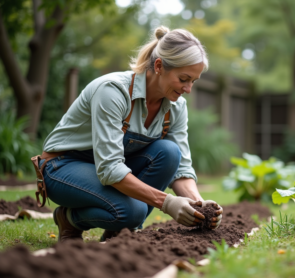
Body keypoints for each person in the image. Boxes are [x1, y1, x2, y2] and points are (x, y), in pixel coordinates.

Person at [37, 26, 223, 242]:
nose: (188, 89)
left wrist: (199, 206)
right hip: (62, 167)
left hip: (106, 169)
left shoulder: (176, 106)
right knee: (132, 212)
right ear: (159, 66)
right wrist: (167, 202)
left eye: (193, 81)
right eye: (183, 79)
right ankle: (69, 219)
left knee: (170, 152)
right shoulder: (112, 91)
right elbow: (109, 168)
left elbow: (180, 167)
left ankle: (118, 232)